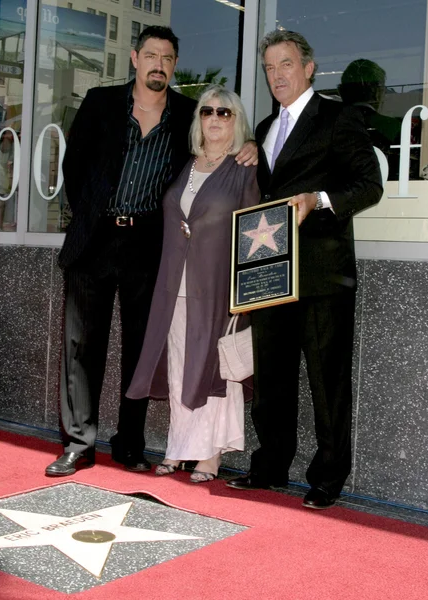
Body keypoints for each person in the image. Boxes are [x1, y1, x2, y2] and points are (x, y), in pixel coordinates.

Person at [45, 26, 256, 477]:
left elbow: (219, 144)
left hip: (149, 246)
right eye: (152, 55)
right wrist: (93, 214)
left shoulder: (187, 114)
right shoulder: (100, 103)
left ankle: (129, 444)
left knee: (143, 347)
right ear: (136, 59)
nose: (159, 64)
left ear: (173, 65)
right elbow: (74, 166)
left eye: (168, 58)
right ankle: (79, 444)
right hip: (94, 241)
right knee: (81, 346)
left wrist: (251, 146)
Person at [227, 30, 383, 509]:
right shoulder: (270, 128)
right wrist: (254, 144)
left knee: (327, 381)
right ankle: (270, 467)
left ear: (309, 68)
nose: (277, 75)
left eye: (286, 64)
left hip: (321, 273)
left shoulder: (340, 117)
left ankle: (328, 479)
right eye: (270, 68)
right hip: (271, 268)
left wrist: (321, 200)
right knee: (272, 379)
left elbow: (369, 185)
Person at [126, 85, 259, 482]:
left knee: (212, 369)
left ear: (236, 122)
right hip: (175, 286)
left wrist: (246, 295)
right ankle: (180, 447)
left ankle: (209, 456)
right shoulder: (186, 164)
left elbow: (256, 233)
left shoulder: (244, 167)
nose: (215, 119)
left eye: (225, 113)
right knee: (180, 368)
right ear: (198, 119)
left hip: (218, 288)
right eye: (207, 111)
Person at [338, 58, 401, 180]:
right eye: (383, 89)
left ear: (342, 91)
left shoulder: (325, 126)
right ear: (377, 92)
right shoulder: (392, 126)